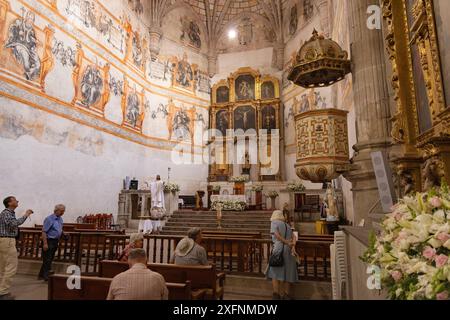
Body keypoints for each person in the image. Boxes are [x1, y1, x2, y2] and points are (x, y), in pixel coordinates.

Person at [0, 196, 34, 300]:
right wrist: (26, 215)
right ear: (9, 203)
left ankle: (1, 290)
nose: (17, 201)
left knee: (3, 267)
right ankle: (3, 293)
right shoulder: (6, 213)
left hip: (6, 241)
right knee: (11, 267)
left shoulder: (8, 213)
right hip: (8, 241)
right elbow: (13, 224)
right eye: (15, 200)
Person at [266, 210, 298, 300]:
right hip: (288, 251)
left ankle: (276, 294)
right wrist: (292, 245)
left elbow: (276, 234)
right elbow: (294, 236)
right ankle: (286, 295)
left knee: (275, 273)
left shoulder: (274, 222)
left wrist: (285, 241)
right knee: (287, 273)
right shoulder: (287, 225)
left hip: (278, 250)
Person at [38, 204, 65, 281]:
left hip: (55, 241)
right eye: (62, 211)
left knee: (50, 259)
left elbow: (60, 229)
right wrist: (45, 243)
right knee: (47, 259)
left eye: (64, 211)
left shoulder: (60, 219)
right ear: (56, 210)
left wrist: (63, 233)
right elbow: (44, 232)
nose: (63, 212)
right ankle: (47, 276)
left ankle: (41, 275)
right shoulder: (49, 219)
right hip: (49, 241)